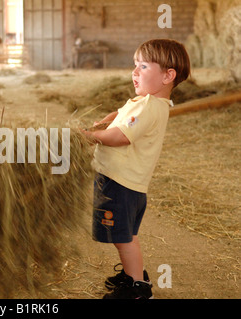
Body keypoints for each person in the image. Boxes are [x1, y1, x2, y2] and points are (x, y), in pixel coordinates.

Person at [81, 39, 191, 299]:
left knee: (123, 238)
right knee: (126, 234)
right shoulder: (151, 103)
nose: (134, 72)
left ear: (168, 75)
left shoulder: (148, 105)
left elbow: (120, 136)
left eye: (143, 66)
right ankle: (134, 275)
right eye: (134, 65)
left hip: (119, 185)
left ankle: (138, 289)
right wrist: (109, 119)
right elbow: (123, 113)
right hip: (129, 186)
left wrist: (90, 135)